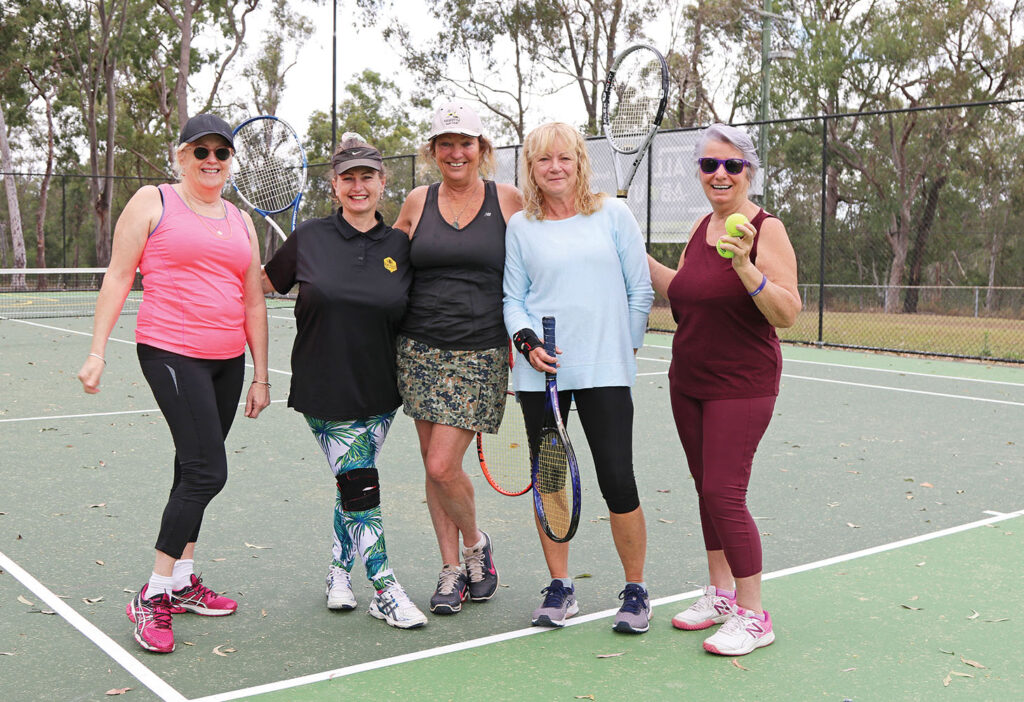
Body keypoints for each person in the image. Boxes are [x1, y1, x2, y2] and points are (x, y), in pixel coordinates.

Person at [77, 114, 270, 654]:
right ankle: (153, 591)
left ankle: (183, 582)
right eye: (201, 151)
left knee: (191, 467)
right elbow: (118, 275)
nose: (212, 161)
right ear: (181, 156)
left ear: (231, 161)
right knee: (209, 469)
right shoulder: (152, 201)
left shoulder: (239, 219)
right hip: (169, 349)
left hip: (227, 359)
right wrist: (96, 352)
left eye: (222, 153)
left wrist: (259, 373)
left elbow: (252, 298)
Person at [261, 134, 426, 629]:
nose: (358, 186)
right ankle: (384, 586)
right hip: (324, 389)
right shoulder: (308, 238)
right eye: (348, 178)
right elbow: (256, 287)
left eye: (367, 177)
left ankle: (338, 572)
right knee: (360, 481)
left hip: (381, 392)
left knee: (351, 486)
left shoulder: (401, 245)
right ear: (334, 185)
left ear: (382, 182)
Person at [647, 123, 801, 656]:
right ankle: (720, 594)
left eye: (732, 165)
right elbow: (683, 289)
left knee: (723, 493)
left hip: (743, 383)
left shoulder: (766, 227)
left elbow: (787, 312)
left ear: (749, 172)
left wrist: (744, 265)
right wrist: (628, 248)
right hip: (688, 379)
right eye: (710, 164)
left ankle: (754, 615)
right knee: (703, 487)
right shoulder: (699, 227)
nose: (720, 173)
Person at [503, 122, 654, 633]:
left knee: (618, 480)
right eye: (544, 160)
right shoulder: (522, 226)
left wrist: (623, 346)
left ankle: (635, 590)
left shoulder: (613, 214)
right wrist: (527, 342)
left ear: (580, 162)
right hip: (541, 375)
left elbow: (640, 290)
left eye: (564, 158)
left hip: (606, 374)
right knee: (549, 482)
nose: (555, 168)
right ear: (532, 168)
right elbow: (513, 299)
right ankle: (561, 587)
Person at [393, 101, 523, 615]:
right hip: (418, 348)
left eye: (464, 143)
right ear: (433, 152)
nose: (455, 152)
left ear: (481, 150)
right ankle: (451, 571)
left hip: (481, 349)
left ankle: (476, 545)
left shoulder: (507, 199)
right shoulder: (416, 201)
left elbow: (541, 258)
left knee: (442, 464)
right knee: (433, 469)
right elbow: (387, 265)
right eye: (445, 143)